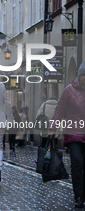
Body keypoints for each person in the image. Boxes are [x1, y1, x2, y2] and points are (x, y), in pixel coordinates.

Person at [49, 61, 85, 208]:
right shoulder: (69, 90)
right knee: (77, 163)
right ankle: (78, 196)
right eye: (83, 75)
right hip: (74, 134)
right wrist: (53, 128)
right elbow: (59, 110)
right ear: (79, 75)